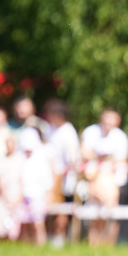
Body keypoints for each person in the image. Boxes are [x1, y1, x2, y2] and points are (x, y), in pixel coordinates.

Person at [81, 109, 128, 245]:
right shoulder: (91, 132)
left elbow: (120, 160)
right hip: (94, 180)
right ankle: (94, 244)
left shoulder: (120, 137)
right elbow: (84, 152)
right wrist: (101, 158)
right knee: (95, 216)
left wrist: (98, 157)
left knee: (112, 217)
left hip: (114, 181)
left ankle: (109, 245)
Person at [44, 99, 81, 247]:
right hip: (49, 176)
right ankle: (50, 235)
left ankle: (60, 237)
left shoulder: (68, 132)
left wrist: (59, 178)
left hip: (64, 179)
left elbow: (72, 160)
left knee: (61, 209)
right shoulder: (50, 130)